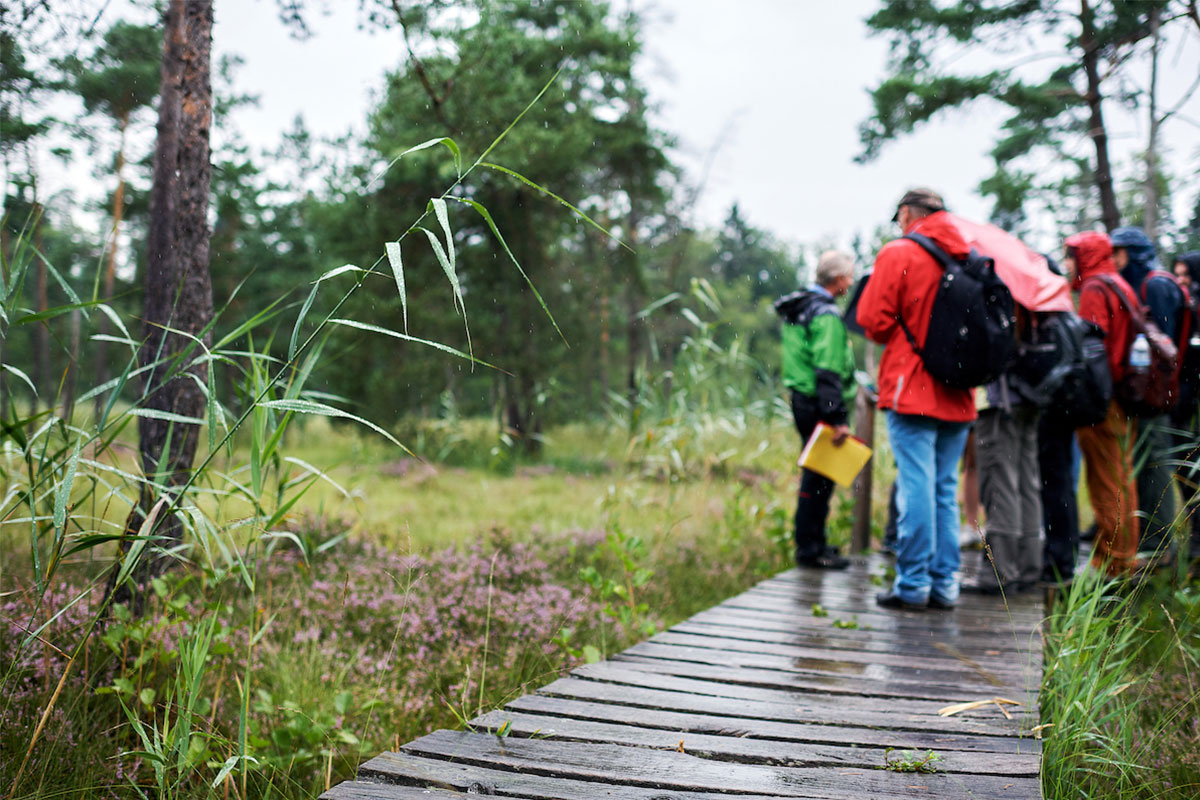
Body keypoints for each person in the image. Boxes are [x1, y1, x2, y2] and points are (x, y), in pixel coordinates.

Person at [857, 188, 974, 610]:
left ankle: (912, 585)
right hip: (960, 392)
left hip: (913, 387)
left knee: (917, 486)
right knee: (944, 489)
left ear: (907, 213)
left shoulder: (899, 253)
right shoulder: (969, 254)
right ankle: (945, 585)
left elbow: (872, 322)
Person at [775, 250, 858, 570]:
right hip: (819, 403)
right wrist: (837, 417)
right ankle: (811, 549)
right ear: (838, 280)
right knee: (820, 478)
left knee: (817, 475)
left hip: (802, 400)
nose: (850, 282)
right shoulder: (824, 314)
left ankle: (813, 543)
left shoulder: (799, 308)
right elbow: (827, 368)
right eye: (849, 276)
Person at [1065, 231, 1140, 576]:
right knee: (1120, 475)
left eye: (1071, 256)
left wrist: (1086, 397)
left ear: (1086, 257)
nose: (1068, 264)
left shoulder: (1096, 287)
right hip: (1121, 395)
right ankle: (1120, 554)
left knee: (1107, 479)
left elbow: (1092, 351)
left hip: (1102, 399)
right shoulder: (1118, 283)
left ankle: (1114, 562)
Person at [1111, 226, 1186, 562]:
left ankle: (1157, 547)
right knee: (1146, 462)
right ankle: (1150, 540)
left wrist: (1150, 389)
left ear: (1132, 253)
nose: (1114, 259)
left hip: (1160, 396)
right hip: (1153, 395)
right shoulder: (1149, 282)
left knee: (1155, 464)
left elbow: (1164, 348)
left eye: (1118, 252)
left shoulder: (1155, 284)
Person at [965, 305, 1043, 594]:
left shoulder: (1002, 302)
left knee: (1001, 483)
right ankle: (1028, 565)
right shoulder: (1038, 304)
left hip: (1002, 405)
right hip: (1030, 400)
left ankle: (1001, 572)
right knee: (1027, 482)